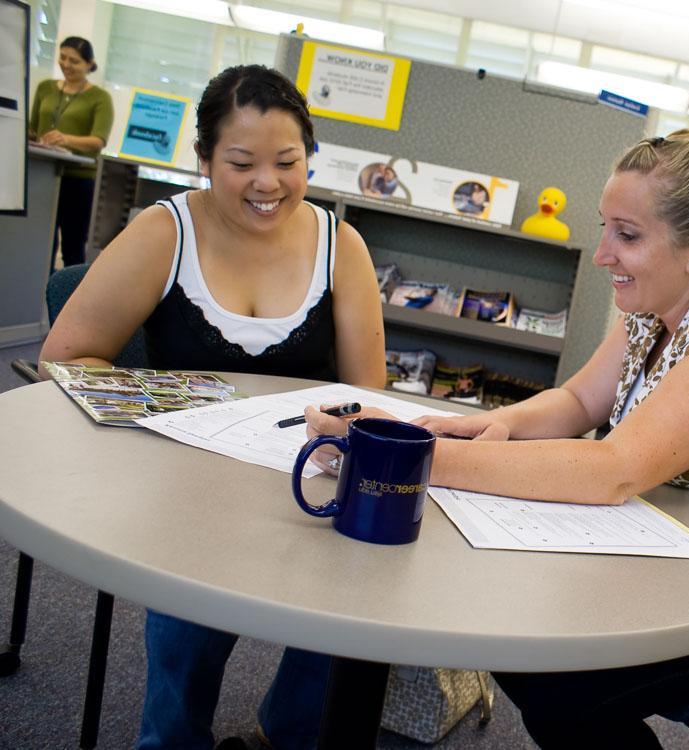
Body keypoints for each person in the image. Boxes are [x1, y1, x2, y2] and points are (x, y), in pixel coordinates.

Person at [306, 129, 689, 748]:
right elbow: (577, 401)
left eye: (627, 235)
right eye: (606, 228)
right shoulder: (658, 305)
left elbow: (613, 469)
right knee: (532, 639)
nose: (602, 255)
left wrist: (415, 458)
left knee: (555, 675)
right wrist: (501, 425)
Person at [40, 64, 386, 750]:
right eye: (241, 163)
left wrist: (344, 423)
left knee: (348, 616)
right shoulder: (165, 231)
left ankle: (280, 734)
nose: (269, 183)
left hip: (304, 490)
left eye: (289, 162)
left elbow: (367, 398)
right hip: (187, 492)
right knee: (186, 638)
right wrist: (172, 402)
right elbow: (66, 356)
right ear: (203, 160)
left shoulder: (340, 246)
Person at [28, 36, 114, 268]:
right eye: (63, 58)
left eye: (74, 61)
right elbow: (32, 128)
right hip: (41, 176)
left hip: (78, 181)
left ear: (89, 64)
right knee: (38, 244)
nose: (66, 65)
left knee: (73, 248)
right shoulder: (45, 88)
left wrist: (65, 139)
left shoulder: (100, 98)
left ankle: (67, 300)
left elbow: (98, 141)